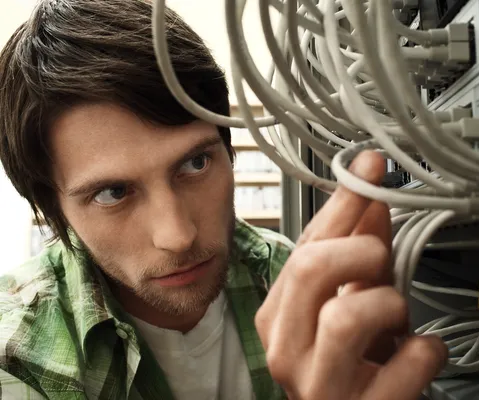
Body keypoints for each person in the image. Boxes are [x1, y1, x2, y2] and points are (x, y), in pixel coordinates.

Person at [0, 0, 448, 399]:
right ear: (50, 208)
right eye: (112, 193)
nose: (177, 235)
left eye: (195, 164)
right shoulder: (17, 352)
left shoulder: (299, 286)